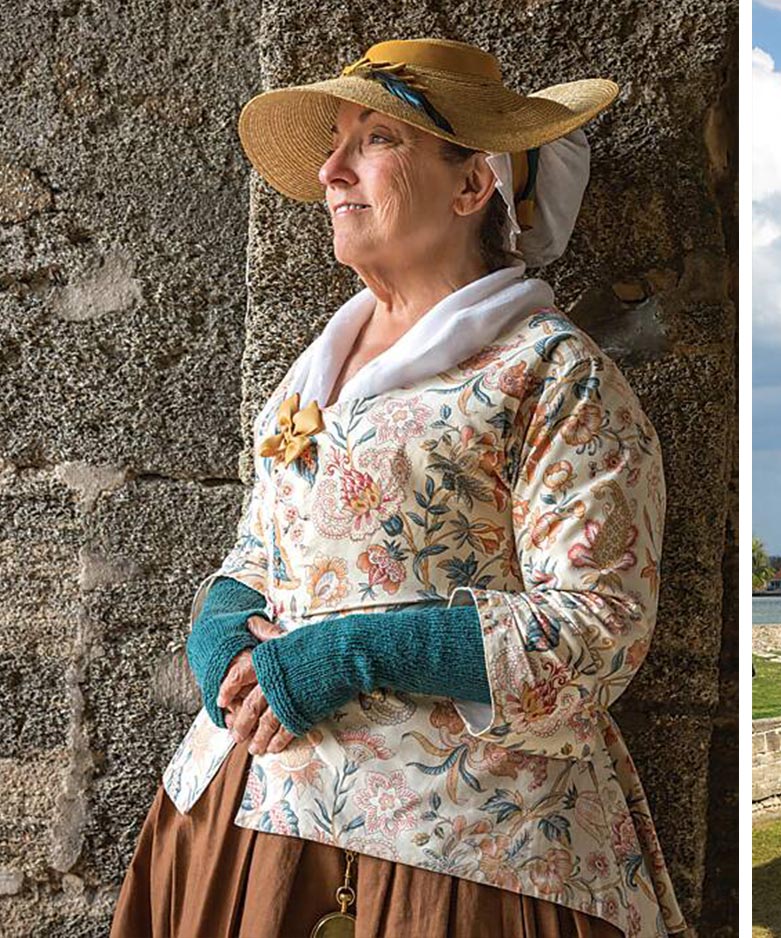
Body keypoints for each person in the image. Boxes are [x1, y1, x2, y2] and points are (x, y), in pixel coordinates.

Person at [110, 37, 683, 938]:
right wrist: (222, 622)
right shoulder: (313, 373)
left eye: (375, 141)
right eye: (336, 143)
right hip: (242, 811)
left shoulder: (552, 375)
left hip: (456, 849)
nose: (331, 171)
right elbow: (260, 553)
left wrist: (351, 658)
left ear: (472, 185)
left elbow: (595, 631)